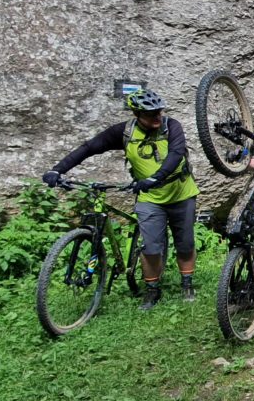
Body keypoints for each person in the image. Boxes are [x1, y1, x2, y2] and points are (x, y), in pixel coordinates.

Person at [43, 88, 198, 311]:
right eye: (151, 114)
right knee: (151, 248)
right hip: (149, 197)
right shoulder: (125, 132)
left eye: (159, 112)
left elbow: (176, 154)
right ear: (137, 115)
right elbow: (89, 148)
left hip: (181, 194)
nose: (157, 117)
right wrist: (57, 170)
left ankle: (187, 284)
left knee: (185, 243)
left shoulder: (171, 126)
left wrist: (156, 177)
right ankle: (152, 291)